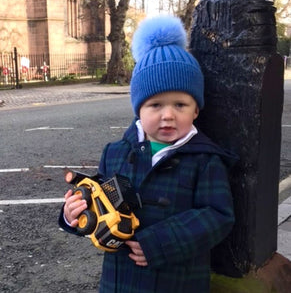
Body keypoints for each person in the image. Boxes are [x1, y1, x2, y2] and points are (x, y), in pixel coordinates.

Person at [59, 15, 235, 293]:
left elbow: (217, 216)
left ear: (196, 110)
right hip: (119, 282)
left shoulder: (205, 159)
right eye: (155, 105)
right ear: (138, 109)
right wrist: (73, 215)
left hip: (177, 281)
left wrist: (161, 243)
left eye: (180, 104)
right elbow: (97, 204)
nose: (168, 115)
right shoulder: (115, 152)